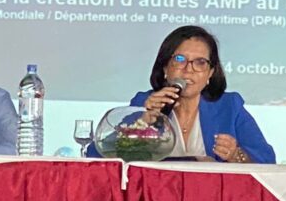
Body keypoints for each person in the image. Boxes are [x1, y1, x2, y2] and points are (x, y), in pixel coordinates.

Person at [92, 25, 275, 163]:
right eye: (180, 59)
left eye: (200, 62)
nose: (188, 70)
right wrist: (142, 122)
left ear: (210, 73)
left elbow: (267, 161)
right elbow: (96, 154)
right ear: (165, 68)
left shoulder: (229, 106)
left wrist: (236, 155)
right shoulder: (144, 103)